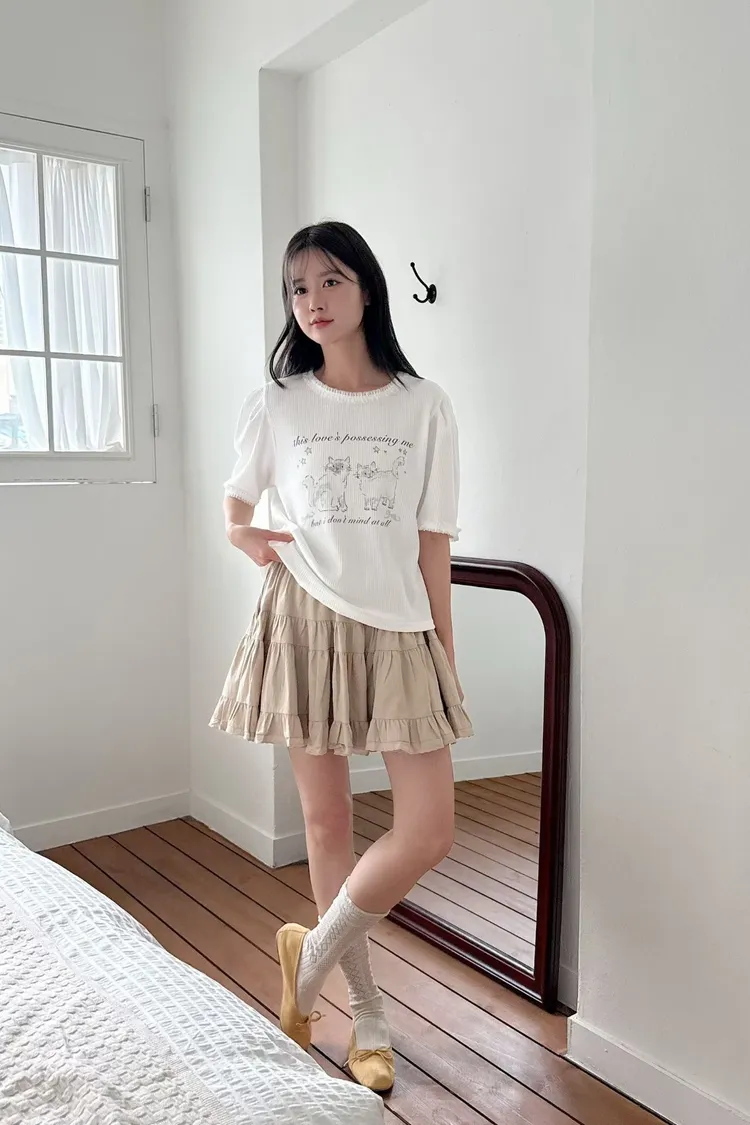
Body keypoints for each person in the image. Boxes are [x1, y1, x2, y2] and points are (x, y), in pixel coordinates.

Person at [211, 221, 472, 1094]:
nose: (312, 301)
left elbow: (433, 541)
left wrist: (443, 650)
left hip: (398, 627)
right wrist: (250, 539)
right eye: (298, 288)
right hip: (304, 619)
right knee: (326, 823)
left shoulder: (424, 404)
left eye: (330, 281)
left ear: (367, 288)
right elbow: (235, 508)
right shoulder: (278, 402)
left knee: (427, 828)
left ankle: (308, 956)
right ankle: (366, 1014)